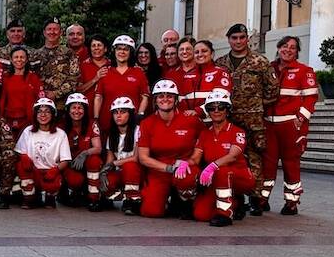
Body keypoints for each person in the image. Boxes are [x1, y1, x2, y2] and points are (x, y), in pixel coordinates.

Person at [214, 24, 278, 215]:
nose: (238, 41)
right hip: (228, 118)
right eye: (234, 38)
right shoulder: (220, 63)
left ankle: (256, 198)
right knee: (230, 157)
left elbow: (273, 88)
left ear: (247, 39)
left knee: (254, 158)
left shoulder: (260, 61)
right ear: (229, 40)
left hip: (252, 119)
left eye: (242, 37)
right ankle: (236, 197)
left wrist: (257, 103)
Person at [261, 36, 317, 214]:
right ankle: (261, 199)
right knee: (267, 164)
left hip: (290, 125)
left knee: (290, 164)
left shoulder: (304, 71)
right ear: (278, 48)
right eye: (285, 46)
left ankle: (292, 202)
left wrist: (301, 117)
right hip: (269, 125)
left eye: (293, 47)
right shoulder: (268, 68)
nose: (288, 50)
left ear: (297, 51)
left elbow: (311, 97)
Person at [136, 80, 202, 219]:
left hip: (185, 168)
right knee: (151, 211)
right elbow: (143, 157)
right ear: (155, 100)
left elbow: (202, 145)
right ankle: (165, 198)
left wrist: (190, 162)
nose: (165, 99)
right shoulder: (147, 123)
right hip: (160, 170)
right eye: (161, 96)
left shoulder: (191, 120)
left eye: (169, 96)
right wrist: (169, 168)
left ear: (176, 99)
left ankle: (185, 201)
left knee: (186, 179)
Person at [190, 89, 254, 227]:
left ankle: (225, 214)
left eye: (221, 107)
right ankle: (234, 203)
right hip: (216, 179)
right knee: (201, 215)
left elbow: (232, 156)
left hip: (240, 177)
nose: (216, 111)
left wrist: (212, 166)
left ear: (228, 110)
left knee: (222, 170)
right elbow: (195, 158)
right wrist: (185, 164)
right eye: (212, 108)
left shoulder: (237, 131)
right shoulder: (205, 134)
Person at [15, 98, 71, 208]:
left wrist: (55, 170)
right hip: (33, 171)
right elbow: (19, 151)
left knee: (52, 187)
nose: (43, 115)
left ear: (53, 114)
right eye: (39, 112)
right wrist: (23, 157)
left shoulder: (61, 134)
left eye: (47, 111)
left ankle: (50, 196)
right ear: (35, 115)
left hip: (50, 172)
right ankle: (29, 197)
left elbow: (65, 160)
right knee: (21, 165)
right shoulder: (28, 131)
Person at [93, 35, 149, 134]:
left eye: (126, 49)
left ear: (130, 52)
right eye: (119, 49)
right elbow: (98, 97)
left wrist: (139, 115)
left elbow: (144, 96)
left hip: (132, 124)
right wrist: (96, 118)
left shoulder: (138, 72)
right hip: (107, 124)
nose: (122, 52)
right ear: (114, 51)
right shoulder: (105, 71)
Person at [100, 97, 142, 214]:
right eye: (115, 112)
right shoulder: (112, 135)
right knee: (105, 181)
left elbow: (136, 158)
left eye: (123, 112)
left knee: (130, 166)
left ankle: (132, 200)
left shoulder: (138, 131)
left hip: (136, 172)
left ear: (130, 114)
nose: (118, 116)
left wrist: (114, 163)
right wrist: (103, 172)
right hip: (120, 173)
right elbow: (109, 160)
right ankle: (113, 197)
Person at [60, 93, 103, 208]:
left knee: (95, 160)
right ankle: (66, 191)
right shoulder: (62, 125)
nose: (77, 111)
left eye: (80, 108)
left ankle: (93, 198)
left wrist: (85, 153)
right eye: (73, 107)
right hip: (69, 164)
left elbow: (98, 148)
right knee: (75, 180)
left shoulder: (91, 124)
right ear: (68, 110)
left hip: (86, 162)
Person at [33, 18, 80, 112]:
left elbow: (74, 79)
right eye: (49, 29)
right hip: (40, 105)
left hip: (62, 106)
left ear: (60, 32)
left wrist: (56, 93)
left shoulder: (69, 54)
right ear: (44, 32)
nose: (52, 32)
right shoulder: (35, 55)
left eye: (55, 29)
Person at [0, 46, 44, 138]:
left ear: (27, 60)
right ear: (11, 60)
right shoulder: (5, 77)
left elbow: (40, 99)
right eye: (16, 57)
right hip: (9, 119)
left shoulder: (33, 78)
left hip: (28, 120)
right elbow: (2, 100)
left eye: (22, 57)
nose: (19, 59)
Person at [184, 40, 233, 119]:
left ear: (212, 54)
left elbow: (222, 98)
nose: (200, 54)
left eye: (204, 51)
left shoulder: (220, 73)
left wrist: (198, 111)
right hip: (191, 122)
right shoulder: (187, 76)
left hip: (213, 122)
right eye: (196, 52)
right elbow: (182, 101)